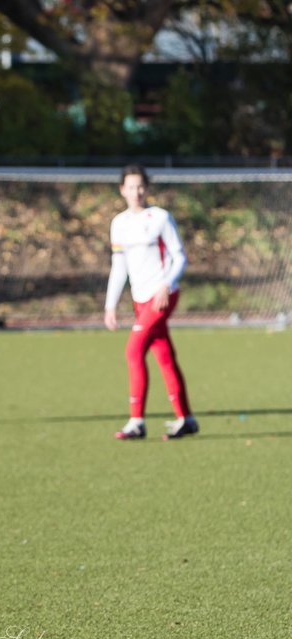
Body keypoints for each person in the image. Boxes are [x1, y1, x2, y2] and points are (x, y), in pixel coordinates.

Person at [104, 164, 198, 440]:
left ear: (147, 188)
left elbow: (180, 257)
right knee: (164, 355)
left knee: (133, 351)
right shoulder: (119, 223)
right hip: (140, 299)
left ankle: (137, 421)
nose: (137, 192)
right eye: (131, 186)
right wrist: (110, 304)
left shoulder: (159, 218)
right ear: (123, 190)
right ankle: (186, 419)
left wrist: (166, 285)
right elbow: (118, 265)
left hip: (162, 296)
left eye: (141, 186)